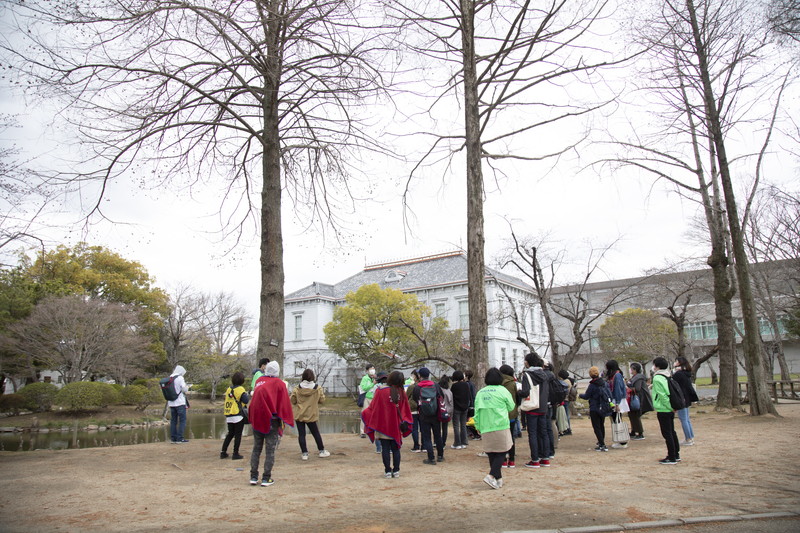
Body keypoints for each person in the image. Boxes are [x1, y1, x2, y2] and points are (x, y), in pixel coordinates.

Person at [249, 361, 295, 486]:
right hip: (272, 420)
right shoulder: (279, 384)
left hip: (257, 418)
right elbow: (283, 403)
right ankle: (266, 478)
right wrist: (285, 419)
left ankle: (253, 476)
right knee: (270, 450)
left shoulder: (259, 381)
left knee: (256, 448)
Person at [361, 370, 413, 478]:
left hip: (383, 425)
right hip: (397, 425)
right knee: (396, 449)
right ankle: (397, 470)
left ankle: (388, 471)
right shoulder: (401, 392)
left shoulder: (380, 391)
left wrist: (364, 414)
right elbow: (405, 410)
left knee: (385, 449)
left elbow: (373, 408)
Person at [474, 367, 515, 490]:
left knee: (492, 452)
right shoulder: (502, 390)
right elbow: (511, 406)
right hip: (500, 425)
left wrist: (477, 425)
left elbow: (477, 411)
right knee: (502, 451)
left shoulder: (480, 392)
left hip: (485, 426)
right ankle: (491, 475)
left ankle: (498, 480)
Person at [518, 352, 551, 468]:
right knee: (543, 432)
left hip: (532, 407)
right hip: (542, 407)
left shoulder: (527, 375)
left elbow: (526, 392)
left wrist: (518, 392)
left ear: (528, 362)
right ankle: (545, 458)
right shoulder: (544, 374)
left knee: (532, 433)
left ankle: (535, 459)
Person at [290, 368, 330, 460]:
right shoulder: (317, 388)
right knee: (316, 433)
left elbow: (293, 400)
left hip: (299, 414)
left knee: (301, 434)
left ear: (303, 377)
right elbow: (322, 400)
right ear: (312, 377)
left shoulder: (297, 388)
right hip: (311, 414)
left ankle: (304, 453)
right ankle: (321, 451)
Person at [411, 367, 445, 464]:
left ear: (420, 376)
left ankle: (431, 458)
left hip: (423, 414)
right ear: (429, 375)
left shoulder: (417, 387)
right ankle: (440, 456)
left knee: (427, 437)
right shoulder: (435, 385)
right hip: (435, 414)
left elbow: (415, 398)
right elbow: (441, 396)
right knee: (437, 435)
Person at [652, 356, 680, 464]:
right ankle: (676, 454)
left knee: (667, 433)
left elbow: (662, 395)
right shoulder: (667, 375)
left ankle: (671, 456)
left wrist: (669, 407)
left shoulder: (657, 378)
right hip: (669, 408)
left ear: (657, 366)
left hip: (664, 409)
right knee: (672, 432)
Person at [580, 366, 610, 452]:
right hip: (603, 407)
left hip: (594, 407)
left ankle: (602, 444)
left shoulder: (592, 385)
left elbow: (587, 396)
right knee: (601, 425)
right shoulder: (604, 383)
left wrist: (580, 395)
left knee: (596, 426)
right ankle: (601, 441)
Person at [220, 371, 249, 459]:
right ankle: (235, 453)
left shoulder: (229, 389)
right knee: (238, 434)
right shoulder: (240, 389)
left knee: (230, 434)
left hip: (229, 414)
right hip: (237, 414)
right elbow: (246, 401)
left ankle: (223, 452)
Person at [673, 356, 699, 446]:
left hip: (681, 398)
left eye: (676, 361)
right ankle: (690, 437)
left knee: (683, 419)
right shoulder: (686, 373)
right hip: (687, 398)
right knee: (687, 419)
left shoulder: (678, 374)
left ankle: (688, 439)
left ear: (679, 363)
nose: (675, 362)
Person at [605, 359, 629, 449]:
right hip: (615, 400)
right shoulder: (615, 375)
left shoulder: (617, 375)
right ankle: (620, 440)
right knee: (616, 420)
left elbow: (617, 389)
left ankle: (622, 441)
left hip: (617, 400)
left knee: (617, 420)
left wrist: (617, 403)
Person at [498, 365, 519, 468]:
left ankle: (503, 460)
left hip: (501, 414)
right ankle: (512, 460)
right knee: (511, 437)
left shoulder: (498, 384)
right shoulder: (513, 383)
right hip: (512, 413)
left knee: (502, 437)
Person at [627, 362, 653, 440]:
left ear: (635, 370)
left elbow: (637, 389)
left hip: (639, 399)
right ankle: (633, 431)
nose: (630, 370)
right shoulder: (635, 377)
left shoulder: (638, 378)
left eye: (631, 368)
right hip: (635, 398)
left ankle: (640, 433)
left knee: (635, 415)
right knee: (632, 415)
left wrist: (628, 387)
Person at [168, 365, 190, 444]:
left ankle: (173, 438)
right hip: (180, 402)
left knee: (173, 420)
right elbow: (184, 389)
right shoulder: (180, 378)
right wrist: (187, 387)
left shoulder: (169, 378)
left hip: (171, 403)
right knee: (182, 420)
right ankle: (180, 438)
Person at [450, 370, 471, 449]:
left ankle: (457, 443)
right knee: (463, 425)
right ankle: (464, 442)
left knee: (456, 426)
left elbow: (452, 397)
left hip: (456, 408)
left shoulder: (454, 386)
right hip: (465, 407)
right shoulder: (466, 385)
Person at [405, 370, 422, 452]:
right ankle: (425, 445)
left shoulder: (412, 386)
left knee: (414, 428)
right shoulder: (425, 386)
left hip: (413, 409)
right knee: (423, 428)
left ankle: (416, 446)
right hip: (423, 409)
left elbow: (406, 396)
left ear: (415, 376)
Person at [359, 364, 376, 438]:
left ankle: (373, 429)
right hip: (367, 398)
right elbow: (364, 388)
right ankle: (362, 431)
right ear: (367, 371)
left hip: (374, 398)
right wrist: (373, 384)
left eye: (373, 369)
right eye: (370, 369)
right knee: (364, 413)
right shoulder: (365, 378)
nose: (372, 370)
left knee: (374, 415)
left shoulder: (375, 378)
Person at [557, 369, 573, 436]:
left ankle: (567, 429)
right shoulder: (569, 381)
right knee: (566, 414)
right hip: (568, 399)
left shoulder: (565, 382)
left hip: (565, 400)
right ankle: (567, 428)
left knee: (565, 415)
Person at [438, 375, 453, 448]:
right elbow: (451, 403)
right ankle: (443, 443)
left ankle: (437, 441)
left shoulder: (438, 391)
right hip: (447, 411)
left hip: (439, 410)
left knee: (437, 427)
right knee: (445, 428)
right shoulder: (449, 391)